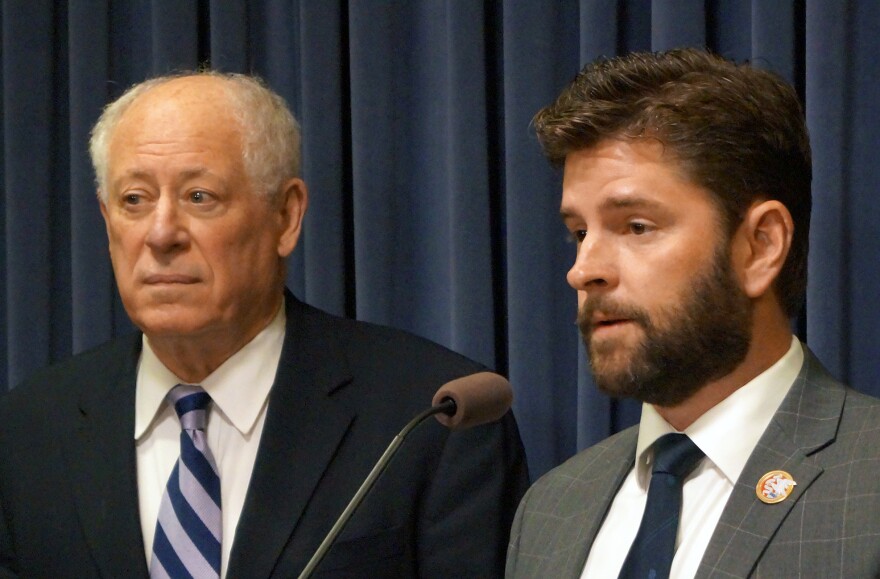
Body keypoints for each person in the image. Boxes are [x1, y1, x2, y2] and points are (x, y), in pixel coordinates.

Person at [0, 72, 529, 578]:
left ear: (286, 216)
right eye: (134, 200)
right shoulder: (30, 430)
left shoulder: (432, 421)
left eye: (198, 196)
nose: (160, 235)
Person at [506, 48, 880, 578]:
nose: (582, 269)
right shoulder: (551, 509)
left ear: (760, 246)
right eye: (579, 233)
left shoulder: (870, 483)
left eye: (636, 226)